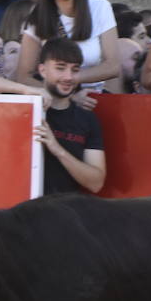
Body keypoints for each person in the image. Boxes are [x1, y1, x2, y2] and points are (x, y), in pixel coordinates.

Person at [16, 0, 120, 101]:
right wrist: (68, 96)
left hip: (94, 100)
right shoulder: (37, 17)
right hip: (56, 103)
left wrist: (71, 78)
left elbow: (113, 66)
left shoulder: (100, 8)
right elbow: (23, 77)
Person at [35, 37, 106, 195]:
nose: (68, 77)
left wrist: (56, 148)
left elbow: (96, 183)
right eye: (60, 68)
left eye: (75, 70)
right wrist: (26, 90)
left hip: (65, 213)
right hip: (22, 211)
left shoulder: (87, 119)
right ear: (42, 70)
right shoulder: (24, 107)